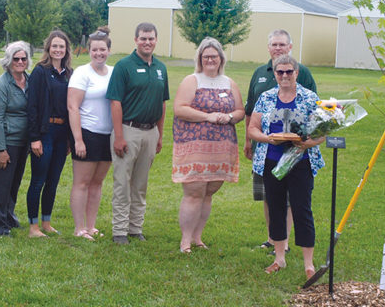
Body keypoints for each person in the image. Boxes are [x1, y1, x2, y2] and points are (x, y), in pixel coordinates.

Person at [247, 55, 325, 280]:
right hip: (272, 161)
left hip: (300, 161)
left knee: (302, 210)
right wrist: (266, 138)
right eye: (279, 72)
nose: (284, 76)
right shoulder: (266, 97)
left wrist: (308, 142)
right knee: (276, 208)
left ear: (296, 73)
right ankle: (279, 258)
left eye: (288, 72)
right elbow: (252, 128)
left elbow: (321, 132)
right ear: (275, 73)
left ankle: (308, 264)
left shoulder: (310, 98)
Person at [244, 29, 317, 253]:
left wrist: (307, 139)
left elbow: (315, 116)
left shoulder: (302, 72)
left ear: (290, 47)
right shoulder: (259, 73)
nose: (278, 48)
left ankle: (285, 242)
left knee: (295, 199)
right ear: (268, 48)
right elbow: (250, 110)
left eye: (282, 44)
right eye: (274, 44)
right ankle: (272, 238)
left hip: (296, 151)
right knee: (269, 196)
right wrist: (249, 141)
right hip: (266, 148)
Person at [172, 37, 245, 253]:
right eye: (206, 57)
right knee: (194, 192)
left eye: (214, 56)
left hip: (221, 148)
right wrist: (208, 116)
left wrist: (229, 116)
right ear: (200, 59)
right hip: (195, 147)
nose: (210, 60)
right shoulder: (191, 80)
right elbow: (180, 108)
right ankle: (185, 240)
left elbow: (240, 111)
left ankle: (197, 237)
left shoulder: (229, 83)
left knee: (209, 192)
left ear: (221, 59)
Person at [106, 22, 169, 245]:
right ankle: (120, 231)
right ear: (136, 40)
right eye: (143, 38)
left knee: (140, 184)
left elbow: (162, 104)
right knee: (123, 182)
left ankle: (135, 228)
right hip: (128, 130)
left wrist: (160, 135)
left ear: (156, 40)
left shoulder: (161, 68)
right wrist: (119, 135)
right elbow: (115, 102)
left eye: (151, 38)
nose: (147, 42)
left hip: (150, 131)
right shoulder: (124, 66)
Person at [67, 26, 114, 241]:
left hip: (108, 135)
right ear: (89, 50)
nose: (99, 54)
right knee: (82, 183)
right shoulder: (81, 73)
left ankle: (91, 225)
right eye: (95, 50)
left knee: (97, 183)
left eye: (102, 50)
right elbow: (72, 107)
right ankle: (79, 228)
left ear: (109, 50)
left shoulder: (114, 72)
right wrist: (78, 139)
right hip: (87, 133)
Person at [26, 30, 73, 238]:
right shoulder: (39, 72)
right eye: (54, 46)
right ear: (48, 48)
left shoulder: (69, 74)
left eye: (61, 46)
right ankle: (33, 227)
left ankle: (46, 222)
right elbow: (32, 106)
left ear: (66, 50)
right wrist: (34, 138)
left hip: (62, 134)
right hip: (44, 133)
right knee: (38, 180)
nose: (58, 50)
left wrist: (71, 139)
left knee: (53, 181)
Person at [0, 41, 31, 236]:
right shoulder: (2, 84)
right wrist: (1, 150)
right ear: (8, 60)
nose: (20, 62)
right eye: (16, 58)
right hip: (6, 143)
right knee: (0, 185)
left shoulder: (29, 81)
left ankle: (8, 216)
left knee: (14, 183)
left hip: (23, 143)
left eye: (23, 58)